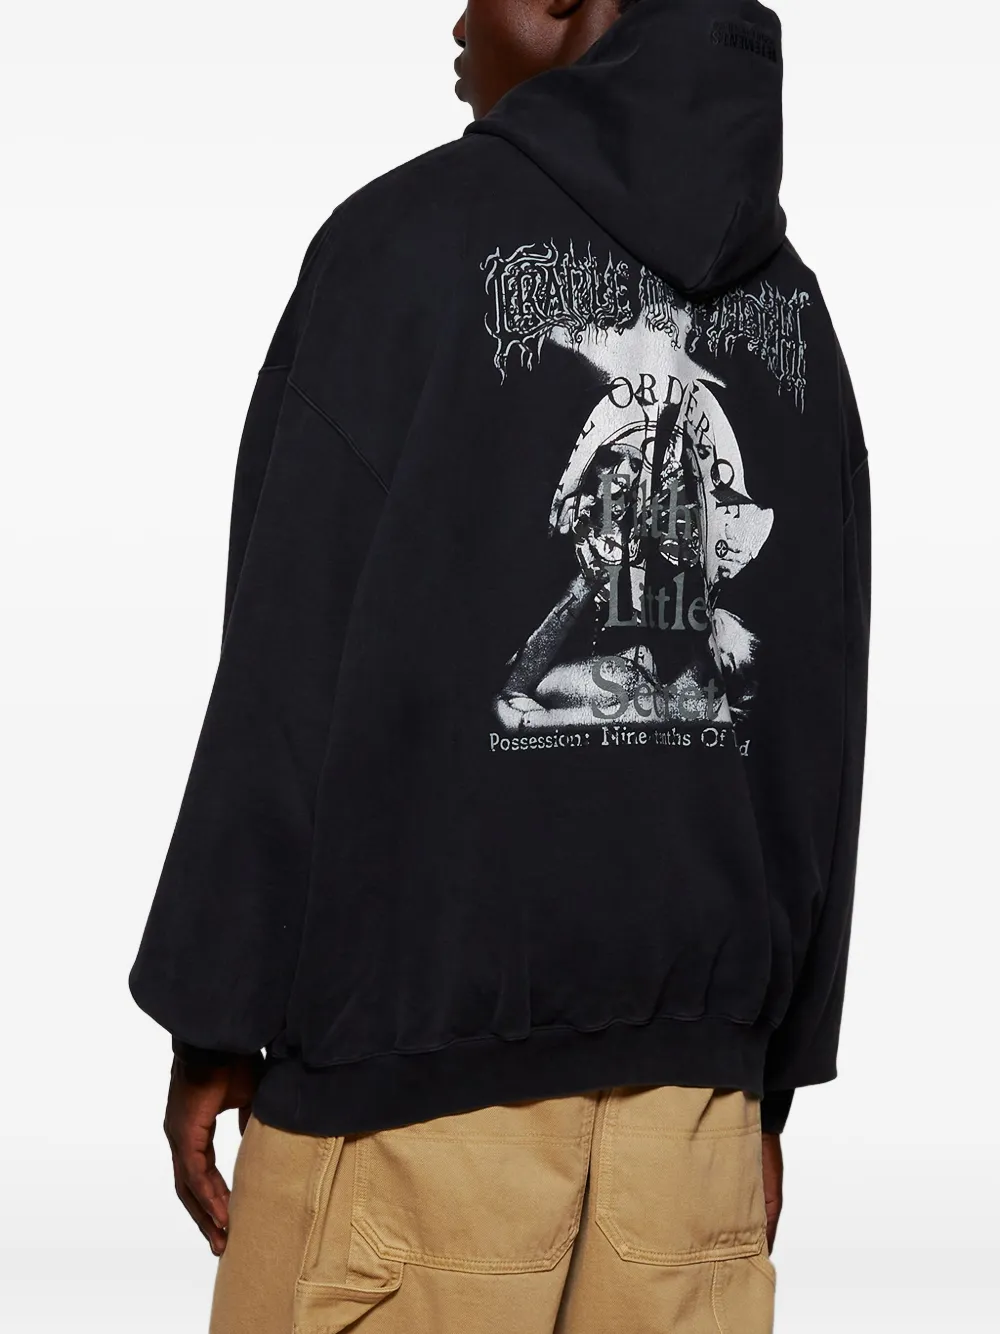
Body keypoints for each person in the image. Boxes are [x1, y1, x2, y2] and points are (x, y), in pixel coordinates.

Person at [130, 1, 871, 1330]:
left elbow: (289, 661)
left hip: (406, 1124)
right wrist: (766, 1079)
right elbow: (821, 709)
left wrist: (214, 1011)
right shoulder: (795, 311)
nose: (459, 17)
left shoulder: (399, 246)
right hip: (691, 1154)